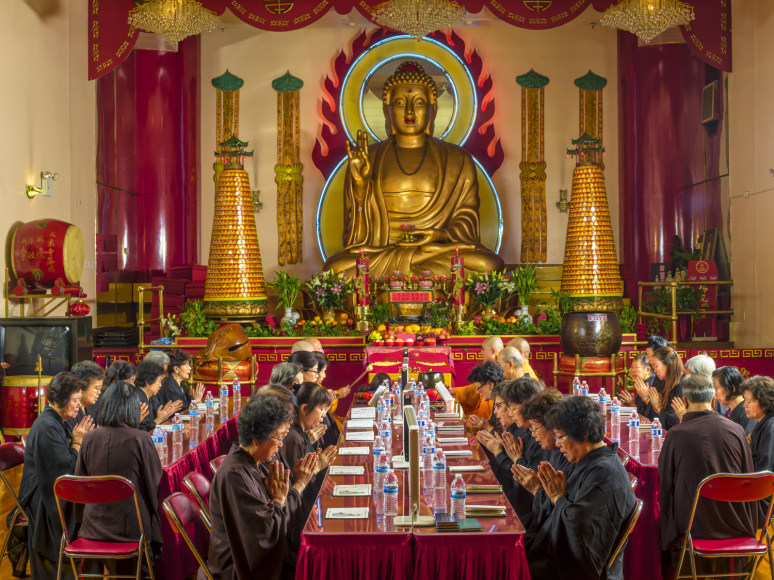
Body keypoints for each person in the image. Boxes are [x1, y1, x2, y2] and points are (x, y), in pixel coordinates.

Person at [322, 61, 505, 277]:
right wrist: (360, 188)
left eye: (419, 103)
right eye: (400, 103)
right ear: (386, 110)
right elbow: (356, 239)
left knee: (491, 264)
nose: (409, 111)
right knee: (333, 269)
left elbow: (467, 224)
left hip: (435, 251)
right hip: (384, 252)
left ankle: (411, 266)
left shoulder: (458, 159)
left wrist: (440, 237)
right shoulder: (367, 157)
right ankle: (416, 266)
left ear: (433, 109)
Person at [522, 396, 636, 579]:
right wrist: (547, 493)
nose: (557, 444)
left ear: (583, 433)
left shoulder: (604, 474)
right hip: (556, 553)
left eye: (560, 437)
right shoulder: (583, 460)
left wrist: (558, 498)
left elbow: (580, 534)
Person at [208, 396, 319, 580]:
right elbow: (265, 536)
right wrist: (279, 500)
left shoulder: (255, 461)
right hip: (239, 567)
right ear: (256, 439)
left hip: (256, 556)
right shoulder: (235, 475)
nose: (281, 444)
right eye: (279, 437)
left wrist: (283, 498)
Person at [659, 375, 756, 569]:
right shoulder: (736, 430)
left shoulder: (676, 435)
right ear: (712, 401)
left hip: (692, 527)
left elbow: (665, 485)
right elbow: (749, 479)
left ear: (685, 401)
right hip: (736, 524)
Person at [74, 381, 162, 575]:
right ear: (132, 409)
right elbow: (155, 483)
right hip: (130, 528)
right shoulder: (140, 438)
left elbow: (80, 484)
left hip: (92, 527)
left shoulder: (89, 438)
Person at [16, 372, 93, 579]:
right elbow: (64, 472)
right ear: (60, 400)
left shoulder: (60, 419)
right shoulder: (46, 427)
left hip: (53, 484)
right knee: (89, 508)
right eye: (75, 400)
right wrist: (77, 442)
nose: (79, 405)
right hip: (42, 494)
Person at [742, 376, 774, 523]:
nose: (745, 405)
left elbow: (765, 473)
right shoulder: (762, 424)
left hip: (765, 497)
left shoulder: (770, 428)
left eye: (749, 401)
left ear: (764, 402)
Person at [453, 336, 502, 413]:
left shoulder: (502, 371)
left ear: (493, 351)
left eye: (483, 349)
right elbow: (476, 389)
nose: (480, 352)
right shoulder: (489, 370)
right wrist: (454, 391)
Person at [136, 360, 181, 431]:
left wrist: (166, 413)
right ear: (148, 382)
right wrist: (159, 419)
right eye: (159, 381)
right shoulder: (138, 399)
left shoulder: (152, 396)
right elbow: (143, 430)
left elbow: (161, 415)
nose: (160, 385)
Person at [647, 346, 685, 431]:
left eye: (656, 366)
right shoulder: (662, 381)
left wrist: (658, 407)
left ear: (668, 365)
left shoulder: (681, 386)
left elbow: (674, 422)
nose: (655, 371)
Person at [713, 366, 756, 435]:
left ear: (732, 388)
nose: (715, 393)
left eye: (717, 388)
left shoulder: (747, 413)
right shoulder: (730, 411)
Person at [465, 361, 504, 434]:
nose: (477, 392)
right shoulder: (495, 400)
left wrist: (487, 426)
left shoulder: (503, 402)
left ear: (490, 384)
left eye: (478, 388)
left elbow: (504, 438)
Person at [618, 352, 655, 417]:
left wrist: (633, 405)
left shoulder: (651, 385)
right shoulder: (643, 382)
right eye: (632, 367)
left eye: (637, 368)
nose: (632, 370)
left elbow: (649, 414)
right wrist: (632, 403)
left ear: (647, 370)